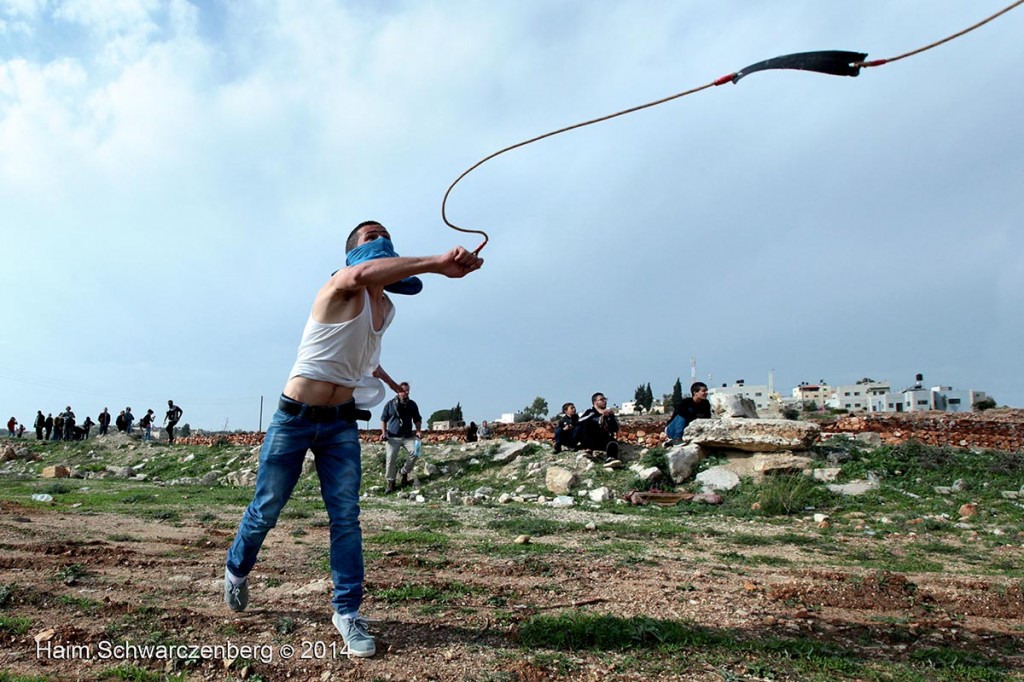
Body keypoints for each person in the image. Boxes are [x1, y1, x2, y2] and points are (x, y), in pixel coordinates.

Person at [224, 220, 483, 658]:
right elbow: (361, 276)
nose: (380, 237)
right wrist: (439, 263)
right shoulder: (339, 286)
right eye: (370, 235)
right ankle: (236, 570)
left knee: (345, 517)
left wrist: (387, 383)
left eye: (385, 234)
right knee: (266, 508)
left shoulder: (387, 310)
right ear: (352, 254)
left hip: (341, 423)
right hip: (294, 418)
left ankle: (346, 612)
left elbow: (365, 359)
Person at [379, 381, 423, 493]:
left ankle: (404, 472)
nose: (406, 392)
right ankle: (391, 482)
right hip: (393, 437)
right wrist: (383, 432)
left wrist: (418, 431)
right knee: (390, 459)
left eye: (408, 390)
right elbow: (383, 419)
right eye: (404, 390)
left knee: (415, 452)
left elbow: (417, 419)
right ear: (398, 391)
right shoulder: (390, 404)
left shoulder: (412, 404)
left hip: (408, 436)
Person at [577, 392, 620, 460]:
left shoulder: (609, 414)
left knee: (612, 443)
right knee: (588, 423)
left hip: (604, 439)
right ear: (595, 402)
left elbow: (615, 428)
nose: (604, 401)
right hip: (590, 440)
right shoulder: (589, 413)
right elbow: (580, 422)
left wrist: (609, 419)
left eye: (605, 399)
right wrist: (600, 418)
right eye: (601, 399)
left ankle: (611, 459)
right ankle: (589, 450)